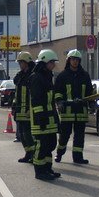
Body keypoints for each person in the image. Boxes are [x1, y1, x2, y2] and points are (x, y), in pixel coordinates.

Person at [54, 49, 92, 164]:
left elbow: (89, 92)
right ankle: (59, 153)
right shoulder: (62, 76)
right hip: (67, 111)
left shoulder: (85, 75)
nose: (75, 62)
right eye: (73, 59)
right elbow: (57, 92)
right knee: (64, 135)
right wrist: (60, 102)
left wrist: (91, 101)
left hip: (81, 111)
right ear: (69, 60)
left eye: (77, 60)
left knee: (79, 136)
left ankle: (78, 157)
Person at [28, 49, 61, 181]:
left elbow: (50, 100)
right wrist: (41, 117)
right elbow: (37, 100)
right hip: (40, 119)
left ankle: (47, 168)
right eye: (52, 62)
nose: (53, 65)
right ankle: (39, 170)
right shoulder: (37, 78)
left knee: (51, 144)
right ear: (45, 62)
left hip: (50, 117)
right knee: (41, 145)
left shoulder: (47, 76)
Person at [13, 51, 35, 163]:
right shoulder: (20, 76)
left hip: (28, 111)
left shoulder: (32, 76)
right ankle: (28, 153)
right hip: (20, 110)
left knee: (28, 134)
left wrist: (29, 109)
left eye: (21, 62)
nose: (20, 65)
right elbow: (17, 94)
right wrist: (14, 108)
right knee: (21, 134)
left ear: (26, 63)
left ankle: (33, 154)